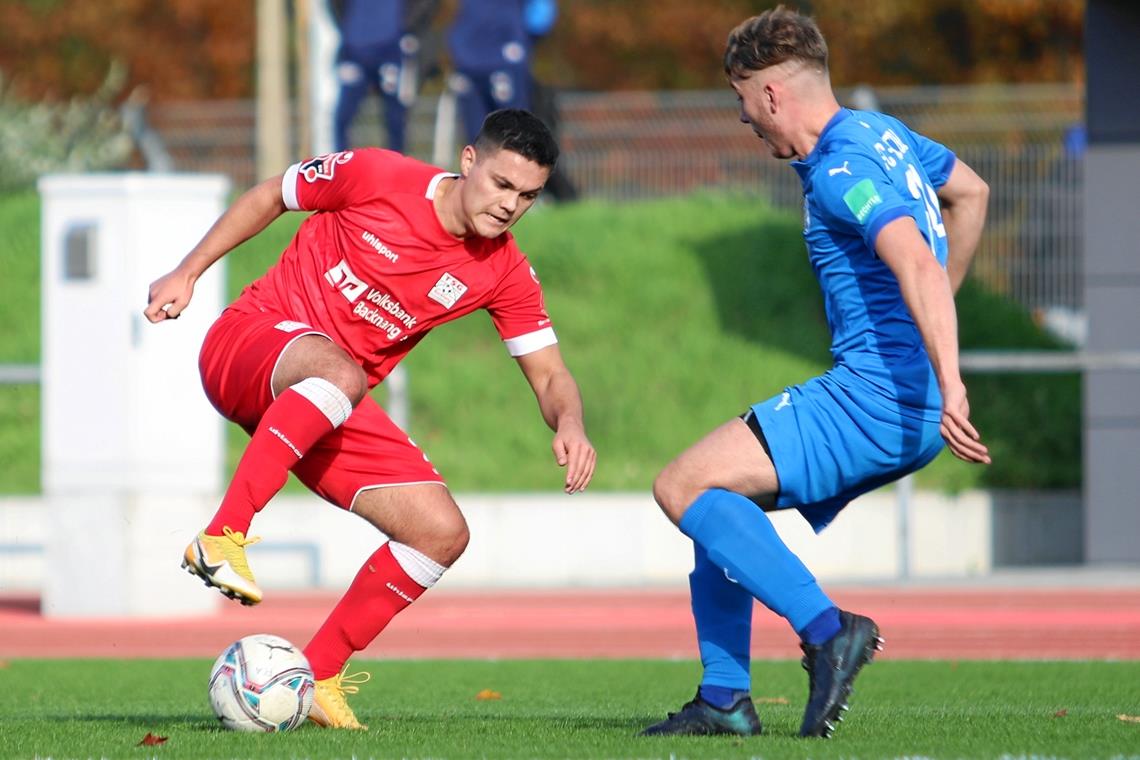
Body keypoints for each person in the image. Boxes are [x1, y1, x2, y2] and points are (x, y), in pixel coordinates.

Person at [144, 108, 596, 730]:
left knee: (440, 532)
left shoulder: (505, 271)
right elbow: (271, 195)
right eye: (501, 184)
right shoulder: (377, 173)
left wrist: (568, 423)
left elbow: (549, 374)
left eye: (528, 196)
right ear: (468, 161)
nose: (510, 205)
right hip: (247, 344)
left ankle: (321, 672)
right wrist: (188, 272)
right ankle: (223, 535)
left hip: (326, 402)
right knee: (341, 375)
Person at [640, 6, 991, 740]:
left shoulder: (840, 167)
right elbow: (972, 192)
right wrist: (932, 331)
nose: (745, 121)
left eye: (743, 101)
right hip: (904, 397)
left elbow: (916, 261)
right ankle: (726, 697)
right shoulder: (884, 133)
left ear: (770, 95)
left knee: (681, 485)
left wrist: (948, 373)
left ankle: (828, 629)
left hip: (876, 395)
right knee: (722, 510)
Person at [330, 0, 440, 153]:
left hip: (392, 50)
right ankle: (340, 170)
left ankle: (397, 172)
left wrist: (405, 27)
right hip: (355, 50)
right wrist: (349, 28)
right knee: (342, 117)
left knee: (396, 119)